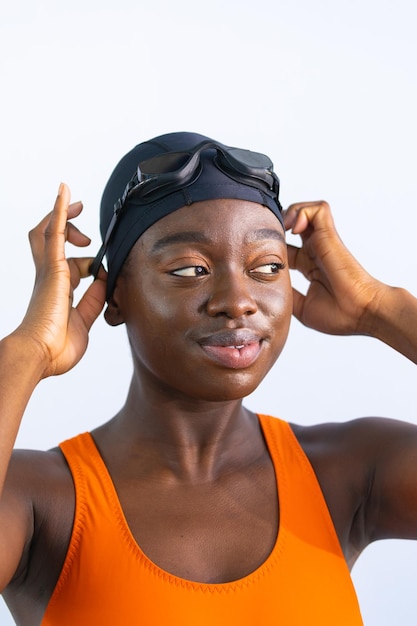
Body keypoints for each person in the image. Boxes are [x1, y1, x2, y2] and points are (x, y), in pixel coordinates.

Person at [0, 131, 417, 626]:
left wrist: (380, 308)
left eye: (267, 266)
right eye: (190, 269)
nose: (237, 300)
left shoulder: (347, 471)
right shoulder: (37, 497)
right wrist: (27, 352)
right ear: (114, 296)